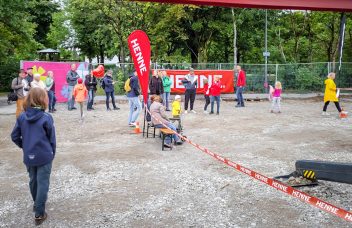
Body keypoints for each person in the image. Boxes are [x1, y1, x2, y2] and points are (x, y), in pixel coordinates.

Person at [11, 87, 56, 226]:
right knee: (42, 183)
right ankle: (39, 213)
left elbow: (14, 136)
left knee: (33, 180)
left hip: (29, 156)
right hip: (44, 156)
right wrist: (51, 153)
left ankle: (37, 204)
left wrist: (25, 146)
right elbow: (52, 139)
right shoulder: (46, 117)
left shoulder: (22, 116)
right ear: (42, 99)